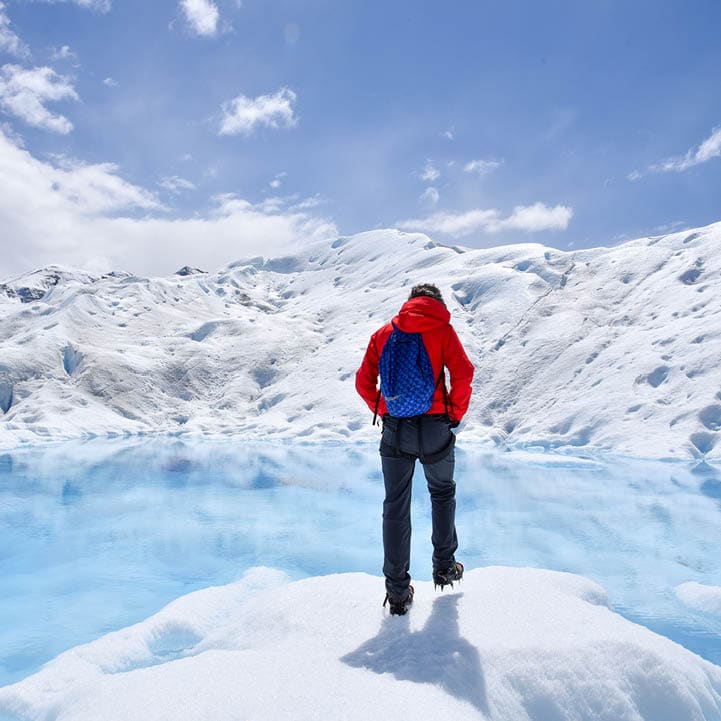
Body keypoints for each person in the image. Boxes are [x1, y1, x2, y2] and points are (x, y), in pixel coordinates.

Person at [355, 283, 474, 615]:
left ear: (409, 303)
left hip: (395, 430)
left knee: (395, 506)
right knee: (441, 492)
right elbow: (463, 373)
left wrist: (384, 413)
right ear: (437, 303)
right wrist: (455, 413)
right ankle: (445, 567)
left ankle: (397, 591)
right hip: (436, 426)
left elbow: (363, 382)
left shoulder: (384, 333)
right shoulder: (443, 330)